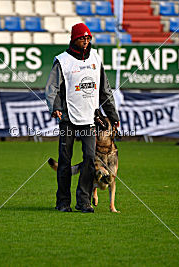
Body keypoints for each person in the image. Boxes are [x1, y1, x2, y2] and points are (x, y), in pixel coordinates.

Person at [45, 23, 120, 213]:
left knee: (89, 159)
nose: (85, 42)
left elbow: (105, 90)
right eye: (82, 38)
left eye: (88, 38)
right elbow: (52, 88)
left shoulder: (96, 58)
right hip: (68, 118)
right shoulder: (62, 61)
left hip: (89, 119)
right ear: (73, 39)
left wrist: (113, 115)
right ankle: (63, 202)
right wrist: (55, 107)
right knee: (65, 160)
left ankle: (83, 201)